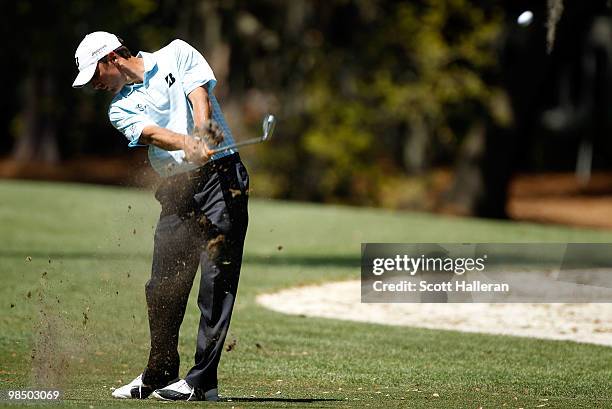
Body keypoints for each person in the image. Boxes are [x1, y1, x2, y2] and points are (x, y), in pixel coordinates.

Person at [72, 31, 249, 401]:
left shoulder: (176, 53)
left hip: (222, 180)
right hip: (177, 190)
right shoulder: (118, 107)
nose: (95, 85)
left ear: (112, 58)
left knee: (216, 282)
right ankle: (159, 373)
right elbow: (150, 133)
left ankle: (203, 382)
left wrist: (202, 133)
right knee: (163, 286)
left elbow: (198, 94)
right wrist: (187, 144)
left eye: (95, 75)